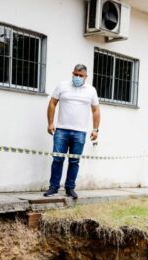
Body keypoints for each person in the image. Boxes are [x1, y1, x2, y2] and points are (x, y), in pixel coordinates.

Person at [44, 64, 100, 199]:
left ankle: (70, 188)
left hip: (80, 132)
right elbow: (52, 103)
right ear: (72, 73)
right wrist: (50, 123)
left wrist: (95, 129)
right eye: (76, 74)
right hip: (61, 130)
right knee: (58, 159)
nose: (78, 77)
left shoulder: (91, 91)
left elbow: (96, 110)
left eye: (81, 76)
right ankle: (53, 187)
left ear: (86, 77)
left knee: (74, 162)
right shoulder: (62, 86)